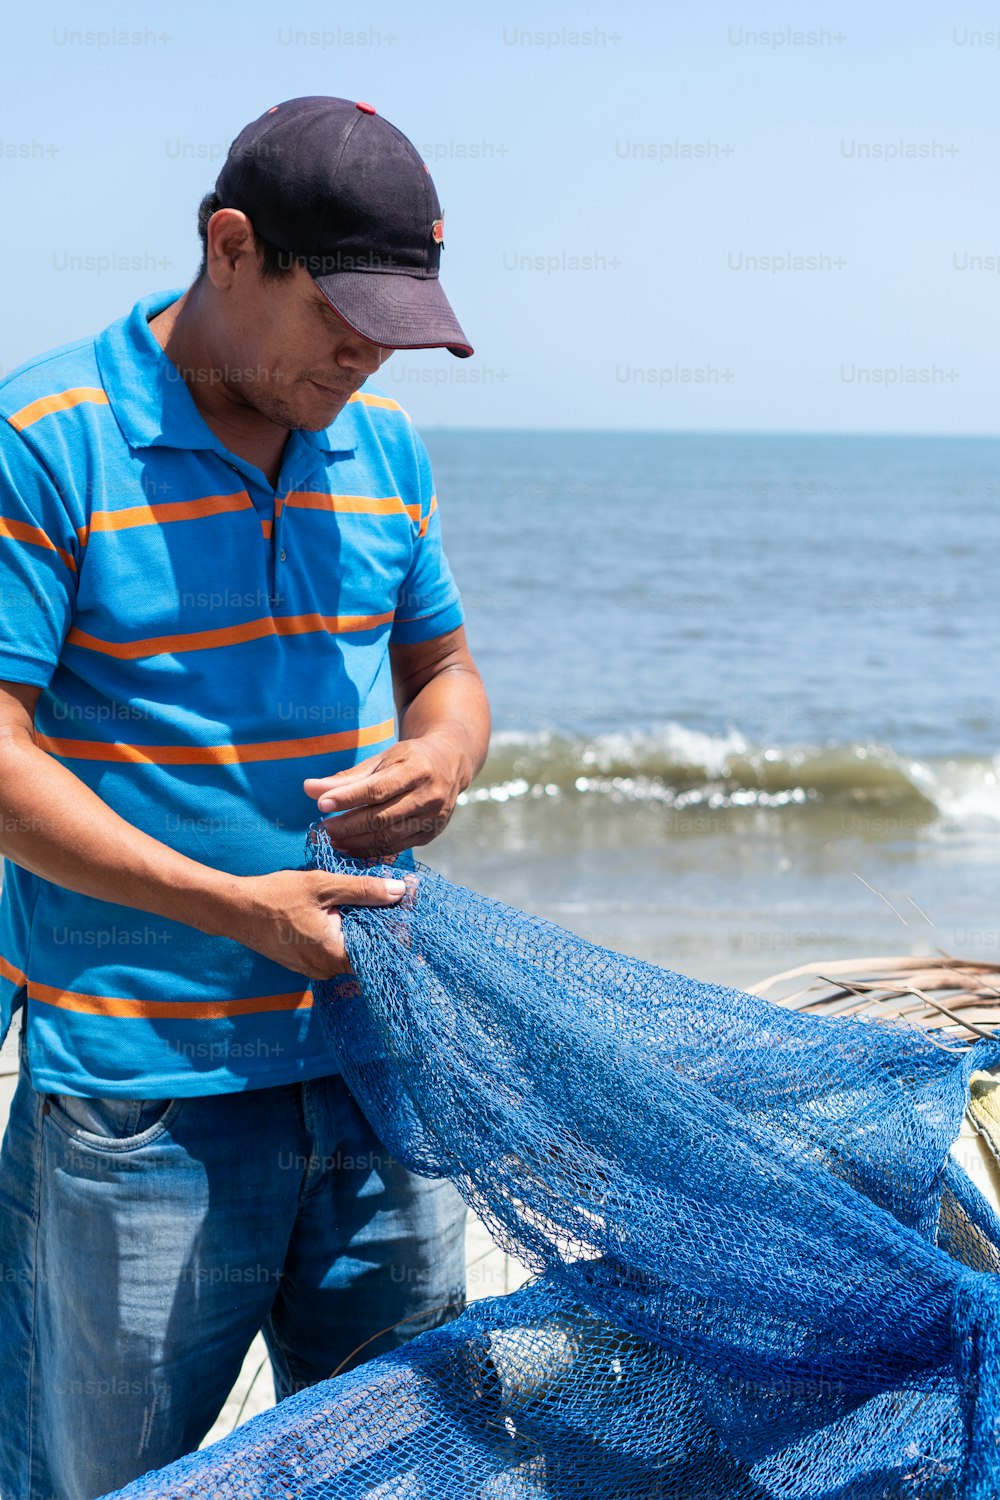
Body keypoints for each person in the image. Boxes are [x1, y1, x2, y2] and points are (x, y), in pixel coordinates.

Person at [0, 96, 490, 1500]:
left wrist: (441, 758)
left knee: (401, 1473)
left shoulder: (382, 451)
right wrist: (236, 907)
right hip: (142, 1106)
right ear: (231, 248)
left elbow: (448, 672)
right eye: (344, 310)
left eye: (400, 320)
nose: (372, 349)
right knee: (108, 1485)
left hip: (377, 1065)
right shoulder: (47, 439)